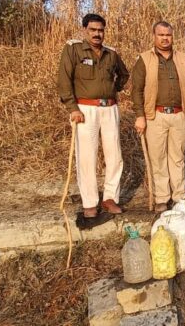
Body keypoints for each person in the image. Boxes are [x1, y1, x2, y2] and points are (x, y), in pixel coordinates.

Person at [57, 13, 130, 218]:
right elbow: (64, 80)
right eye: (93, 30)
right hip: (84, 109)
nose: (97, 34)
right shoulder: (73, 49)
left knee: (114, 155)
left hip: (109, 108)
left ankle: (110, 198)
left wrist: (113, 88)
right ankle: (90, 202)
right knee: (87, 157)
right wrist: (72, 108)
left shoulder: (111, 53)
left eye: (100, 30)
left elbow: (124, 74)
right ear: (85, 30)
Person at [131, 21, 185, 212]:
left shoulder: (183, 58)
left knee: (177, 157)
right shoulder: (144, 59)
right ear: (154, 36)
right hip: (155, 116)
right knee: (158, 158)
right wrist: (140, 116)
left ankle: (178, 196)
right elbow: (136, 90)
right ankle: (161, 198)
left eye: (168, 35)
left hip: (179, 115)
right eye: (161, 35)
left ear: (172, 36)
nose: (165, 38)